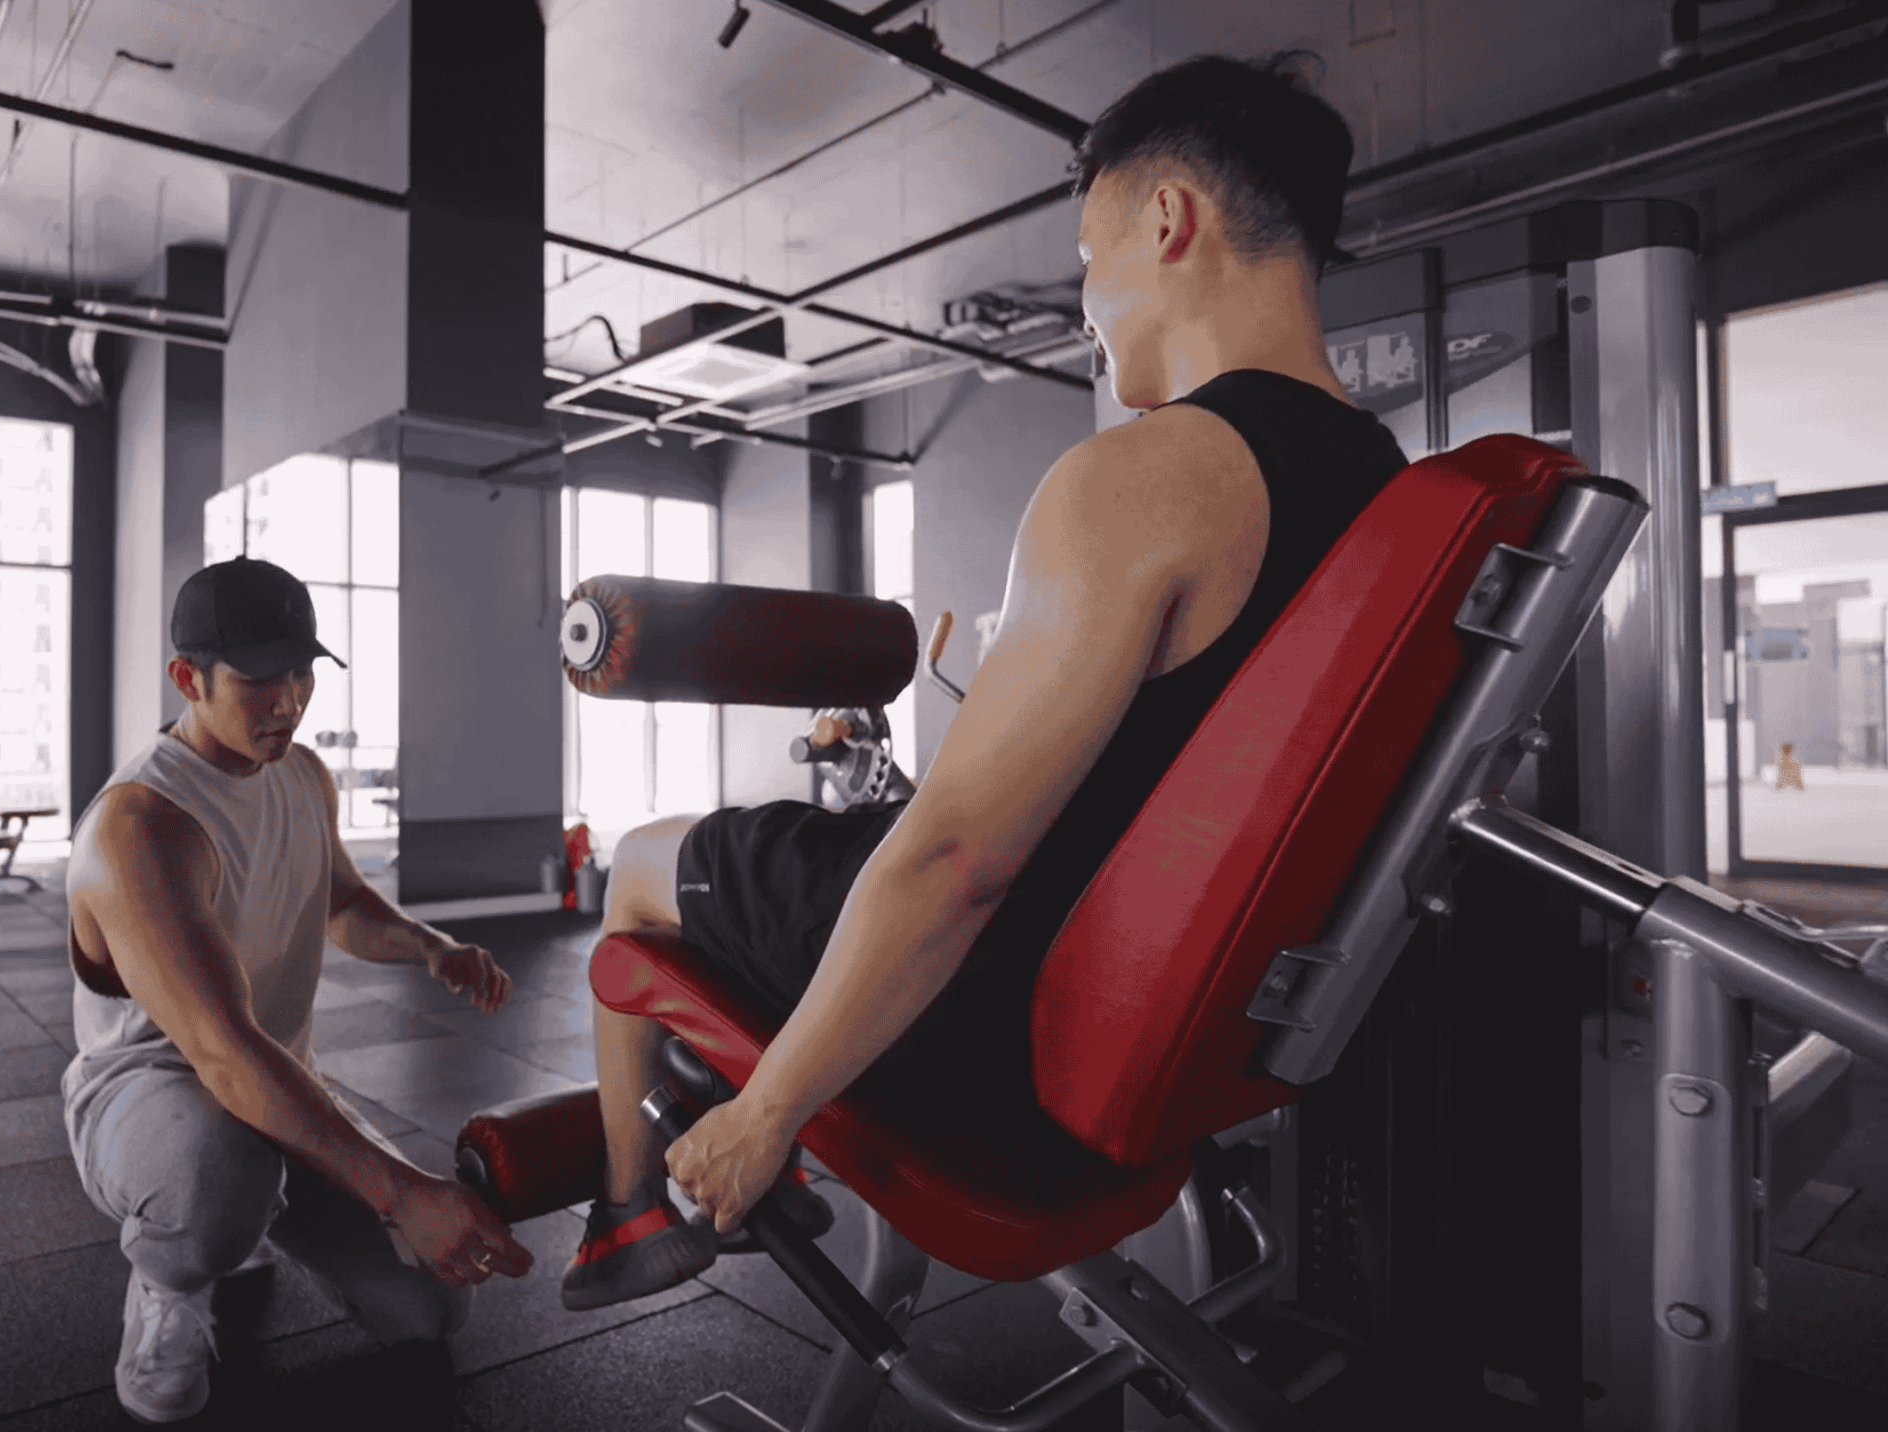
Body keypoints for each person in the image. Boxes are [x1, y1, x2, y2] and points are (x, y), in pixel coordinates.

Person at [562, 51, 1412, 1311]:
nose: (1086, 306)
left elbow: (957, 860)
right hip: (1212, 1029)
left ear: (1167, 217)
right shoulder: (1384, 487)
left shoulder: (1142, 476)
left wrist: (772, 1107)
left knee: (638, 861)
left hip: (990, 1025)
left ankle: (630, 1206)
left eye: (1088, 258)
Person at [60, 554, 535, 1423]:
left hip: (271, 1084)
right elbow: (221, 1051)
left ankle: (250, 1209)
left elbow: (341, 901)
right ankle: (170, 1283)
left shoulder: (302, 775)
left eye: (301, 671)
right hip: (152, 1095)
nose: (288, 700)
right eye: (259, 678)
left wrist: (429, 947)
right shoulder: (143, 827)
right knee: (219, 1175)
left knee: (428, 1313)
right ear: (187, 678)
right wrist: (400, 1190)